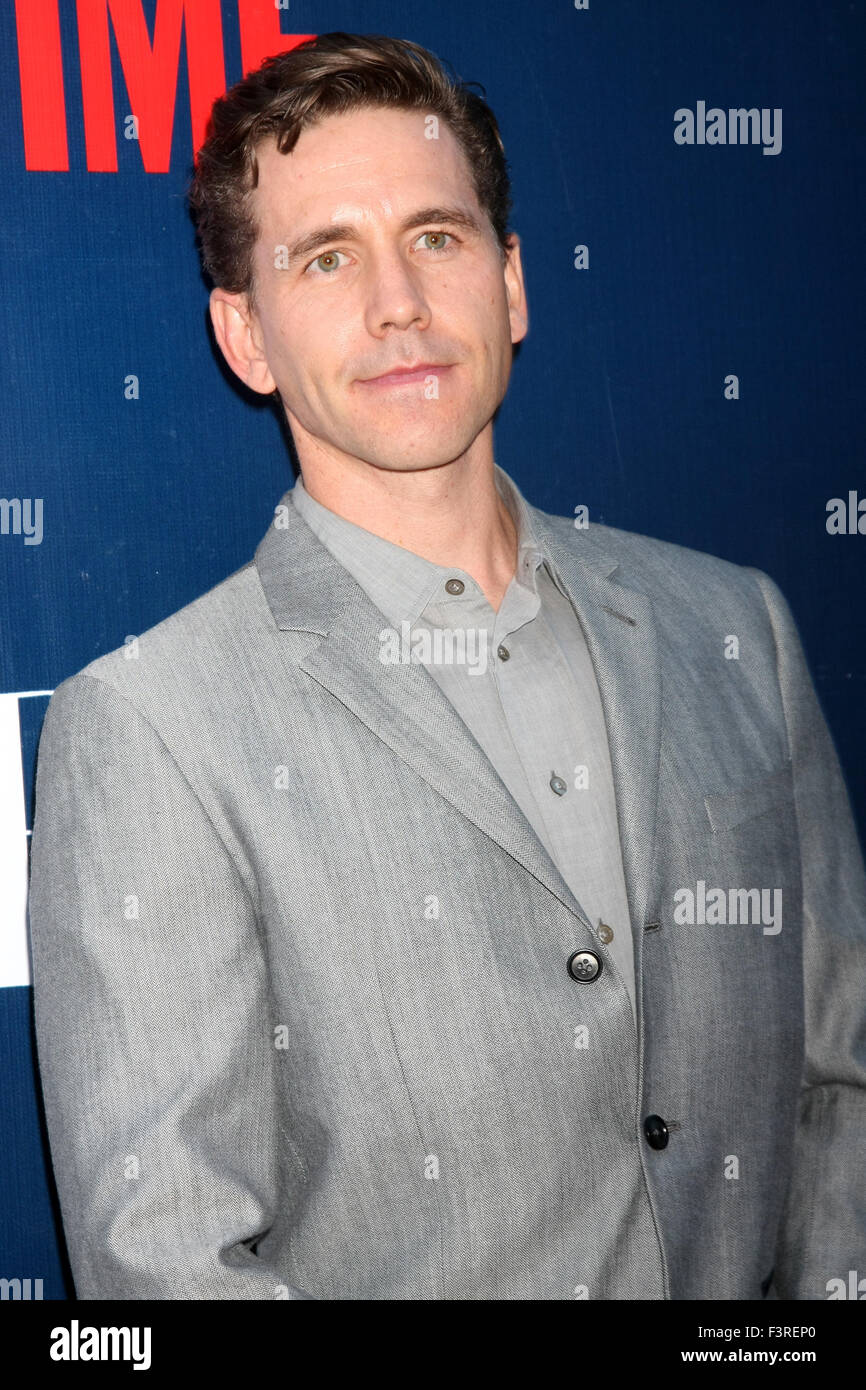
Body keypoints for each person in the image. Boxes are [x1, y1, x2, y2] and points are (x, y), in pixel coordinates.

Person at [28, 31, 866, 1301]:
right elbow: (168, 1262)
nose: (398, 305)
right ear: (243, 338)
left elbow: (836, 1087)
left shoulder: (731, 627)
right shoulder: (151, 725)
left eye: (436, 236)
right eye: (326, 257)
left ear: (512, 284)